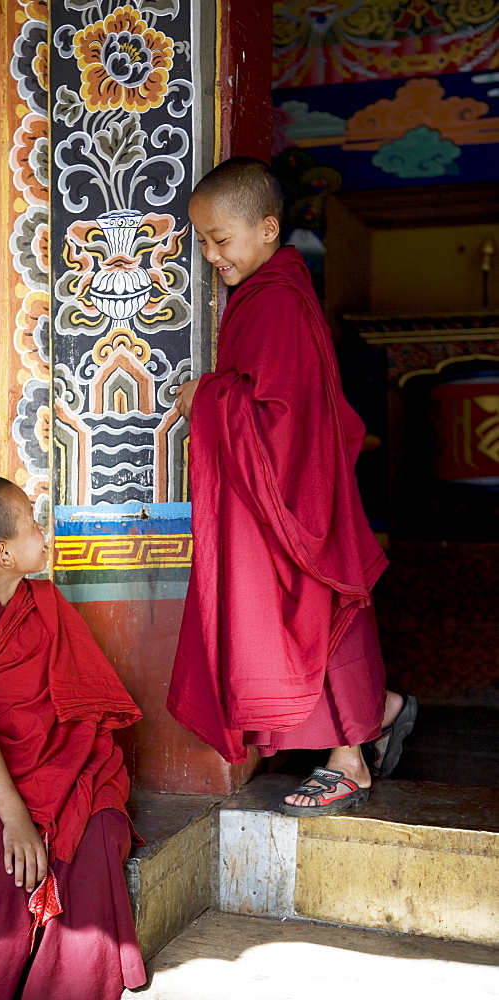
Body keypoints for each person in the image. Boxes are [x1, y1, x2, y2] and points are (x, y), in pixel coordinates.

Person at [167, 157, 416, 816]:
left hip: (294, 490)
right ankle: (381, 711)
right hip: (295, 484)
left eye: (221, 239)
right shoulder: (269, 290)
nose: (210, 254)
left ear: (269, 228)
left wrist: (207, 396)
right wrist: (222, 396)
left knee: (317, 604)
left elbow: (285, 413)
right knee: (321, 605)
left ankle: (348, 762)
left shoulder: (274, 298)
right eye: (202, 241)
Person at [0, 476, 146, 1000]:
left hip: (66, 761)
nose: (45, 534)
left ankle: (63, 986)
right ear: (5, 554)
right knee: (3, 871)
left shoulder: (45, 602)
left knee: (101, 837)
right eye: (34, 526)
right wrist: (15, 818)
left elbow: (75, 703)